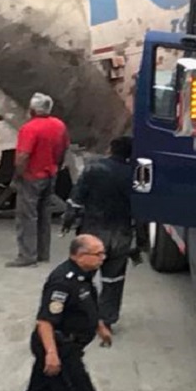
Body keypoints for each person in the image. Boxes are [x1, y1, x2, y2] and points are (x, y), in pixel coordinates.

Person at [1, 234, 122, 391]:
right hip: (59, 346)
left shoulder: (84, 275)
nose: (102, 258)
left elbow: (85, 305)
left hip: (67, 344)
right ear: (78, 255)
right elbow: (45, 321)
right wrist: (52, 354)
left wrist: (99, 326)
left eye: (102, 253)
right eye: (97, 254)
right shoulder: (62, 282)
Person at [62, 136, 137, 334]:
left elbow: (76, 200)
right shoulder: (134, 175)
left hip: (93, 233)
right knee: (113, 280)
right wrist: (141, 242)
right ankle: (106, 320)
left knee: (82, 277)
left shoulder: (94, 169)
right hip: (121, 235)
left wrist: (68, 222)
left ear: (111, 149)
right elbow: (141, 212)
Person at [6, 93, 70, 268]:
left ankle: (27, 255)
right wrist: (56, 166)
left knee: (27, 216)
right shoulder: (59, 125)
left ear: (33, 110)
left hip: (31, 176)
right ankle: (42, 252)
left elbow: (23, 156)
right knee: (44, 214)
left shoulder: (30, 128)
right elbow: (63, 148)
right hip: (50, 174)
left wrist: (18, 176)